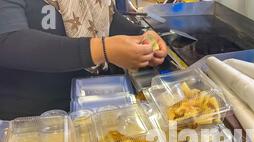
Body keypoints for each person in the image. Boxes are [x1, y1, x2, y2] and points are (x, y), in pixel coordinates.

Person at [0, 0, 168, 120]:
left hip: (91, 107)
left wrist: (142, 36)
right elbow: (9, 40)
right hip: (31, 121)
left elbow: (107, 19)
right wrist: (102, 48)